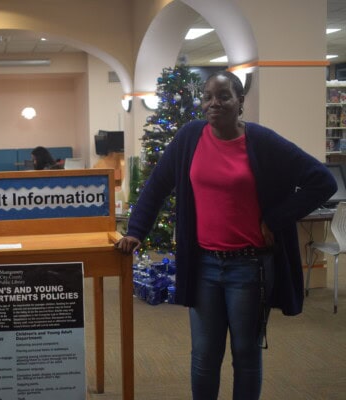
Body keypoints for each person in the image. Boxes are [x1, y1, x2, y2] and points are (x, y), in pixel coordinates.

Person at [115, 71, 336, 400]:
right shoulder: (191, 136)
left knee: (246, 354)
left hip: (249, 267)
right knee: (204, 354)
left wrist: (275, 218)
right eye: (207, 96)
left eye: (223, 96)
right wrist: (135, 232)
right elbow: (156, 186)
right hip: (203, 264)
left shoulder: (262, 142)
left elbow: (322, 181)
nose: (213, 103)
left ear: (240, 101)